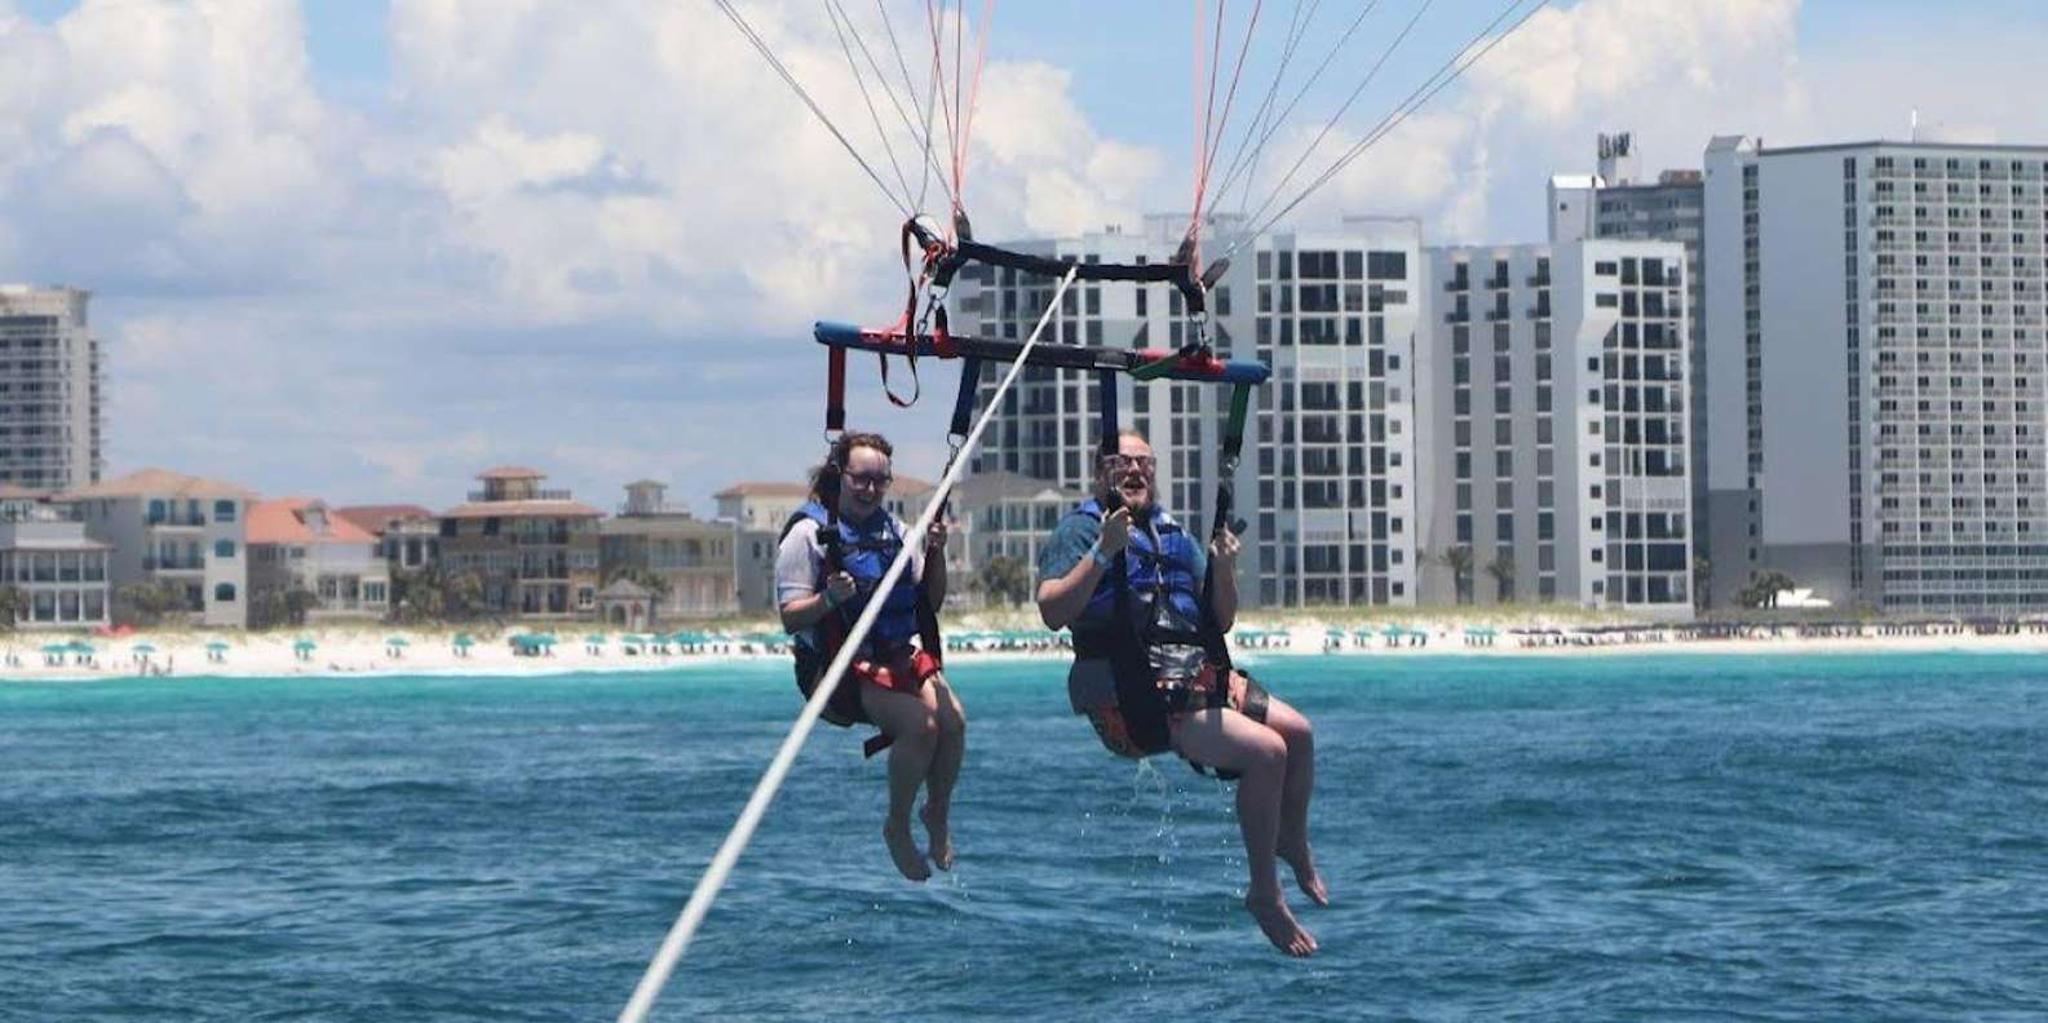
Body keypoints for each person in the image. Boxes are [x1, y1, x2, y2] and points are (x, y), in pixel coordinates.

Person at [1036, 429, 1326, 957]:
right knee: (1268, 753)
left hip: (1191, 675)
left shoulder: (1173, 536)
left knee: (1298, 735)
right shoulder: (1081, 530)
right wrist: (1103, 554)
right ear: (1103, 472)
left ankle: (1292, 841)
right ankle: (1264, 892)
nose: (1136, 472)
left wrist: (1223, 568)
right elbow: (1053, 611)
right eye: (1123, 463)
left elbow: (1222, 619)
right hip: (1132, 697)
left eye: (1145, 464)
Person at [777, 431, 964, 882]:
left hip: (897, 654)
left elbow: (929, 602)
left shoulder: (897, 532)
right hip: (839, 671)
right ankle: (897, 826)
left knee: (954, 720)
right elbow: (790, 619)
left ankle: (936, 812)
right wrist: (828, 599)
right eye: (861, 479)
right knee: (921, 726)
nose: (870, 489)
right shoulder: (808, 535)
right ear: (841, 476)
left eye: (880, 481)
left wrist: (936, 554)